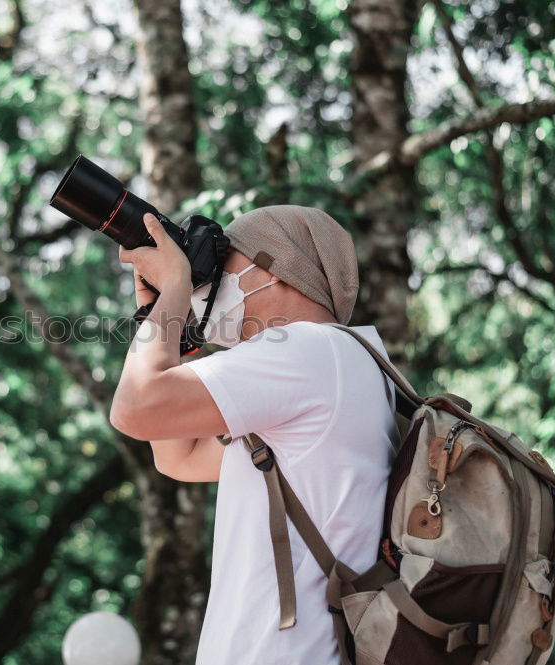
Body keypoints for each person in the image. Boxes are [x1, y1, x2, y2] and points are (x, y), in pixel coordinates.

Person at [109, 205, 399, 665]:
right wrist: (163, 317)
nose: (213, 278)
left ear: (277, 270)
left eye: (225, 262)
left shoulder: (310, 350)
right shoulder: (348, 365)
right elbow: (178, 457)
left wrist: (176, 291)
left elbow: (134, 408)